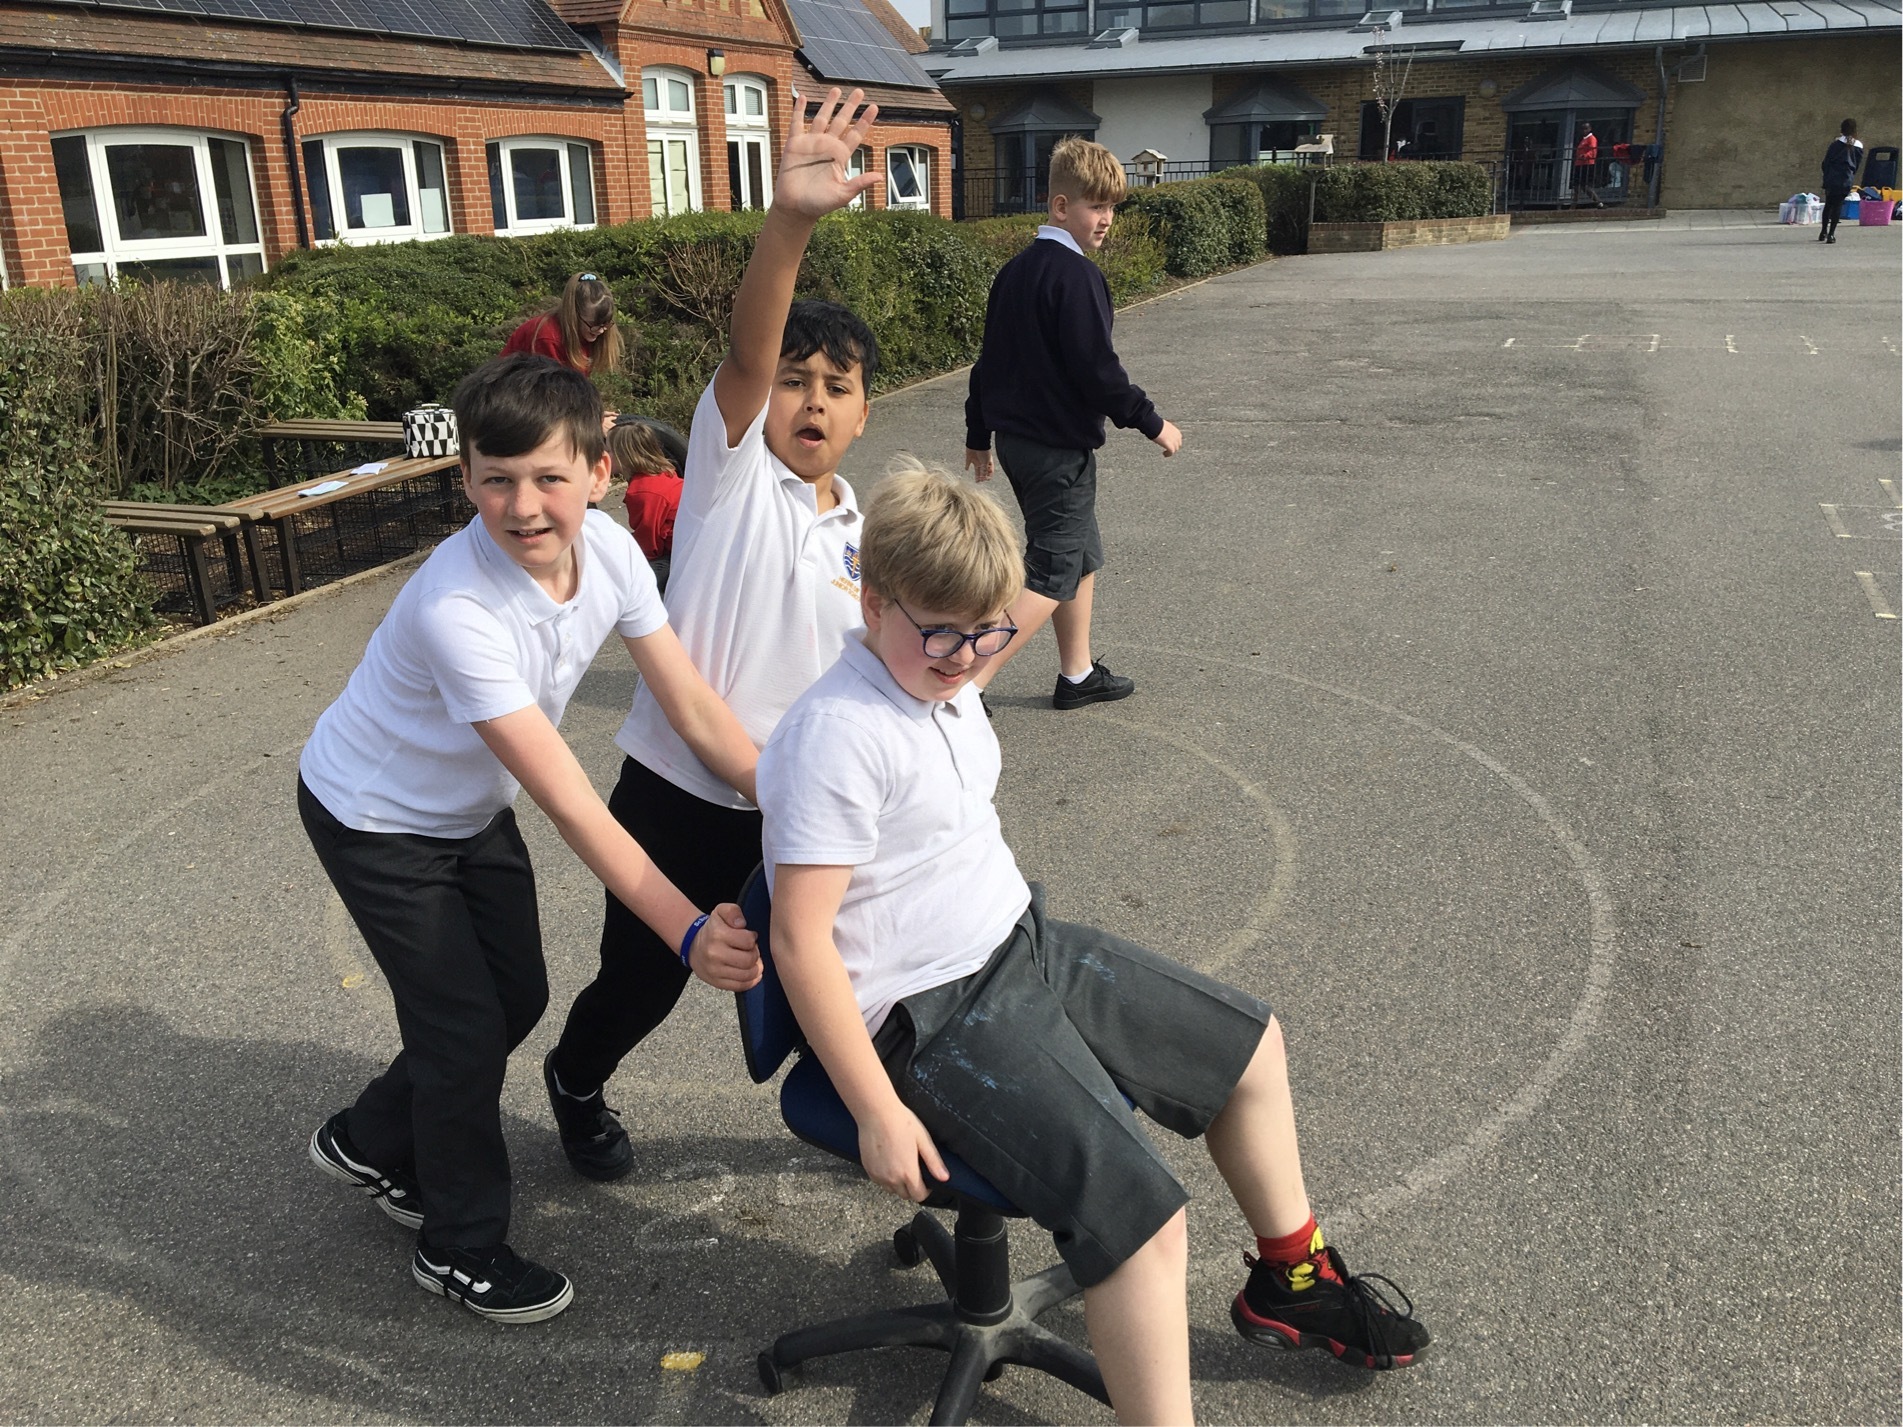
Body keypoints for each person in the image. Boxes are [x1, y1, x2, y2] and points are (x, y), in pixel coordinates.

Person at [757, 465, 1430, 1423]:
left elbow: (995, 624)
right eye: (943, 631)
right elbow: (798, 940)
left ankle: (1290, 1282)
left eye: (985, 631)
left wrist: (1009, 602)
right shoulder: (836, 734)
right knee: (1142, 1224)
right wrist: (873, 1108)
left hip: (1016, 939)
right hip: (928, 1016)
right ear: (871, 601)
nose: (965, 657)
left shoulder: (937, 670)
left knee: (1249, 1048)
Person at [300, 353, 762, 1323]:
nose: (521, 506)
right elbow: (572, 802)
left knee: (518, 995)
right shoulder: (457, 606)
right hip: (374, 816)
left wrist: (792, 804)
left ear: (599, 472)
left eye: (549, 476)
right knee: (464, 1028)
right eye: (495, 478)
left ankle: (369, 1138)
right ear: (464, 476)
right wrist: (686, 929)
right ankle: (457, 1244)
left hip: (468, 809)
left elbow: (691, 707)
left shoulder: (614, 553)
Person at [540, 88, 885, 1181]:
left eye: (836, 388)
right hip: (680, 793)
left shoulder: (863, 530)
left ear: (865, 411)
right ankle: (575, 1078)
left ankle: (867, 1112)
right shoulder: (732, 475)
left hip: (807, 803)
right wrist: (789, 222)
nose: (811, 402)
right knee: (642, 982)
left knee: (842, 968)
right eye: (794, 381)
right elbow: (746, 348)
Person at [964, 135, 1181, 712]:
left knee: (1079, 555)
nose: (1106, 218)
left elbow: (988, 362)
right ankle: (966, 684)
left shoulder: (1014, 272)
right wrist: (1151, 421)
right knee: (1051, 570)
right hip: (1056, 450)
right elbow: (1097, 371)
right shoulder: (1076, 277)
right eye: (1096, 205)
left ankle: (1077, 673)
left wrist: (979, 433)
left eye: (1112, 207)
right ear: (1061, 206)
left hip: (1020, 444)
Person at [607, 416, 684, 592]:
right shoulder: (664, 473)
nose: (604, 455)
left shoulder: (642, 492)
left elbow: (650, 547)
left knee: (634, 586)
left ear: (624, 456)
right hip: (689, 543)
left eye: (609, 451)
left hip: (678, 554)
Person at [502, 272, 622, 379]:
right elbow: (552, 387)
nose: (600, 331)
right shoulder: (548, 337)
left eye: (605, 324)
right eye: (593, 324)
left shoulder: (588, 331)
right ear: (574, 314)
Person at [1820, 118, 1865, 244]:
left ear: (1842, 129)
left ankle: (1823, 231)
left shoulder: (1835, 144)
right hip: (1845, 179)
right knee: (1838, 206)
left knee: (1828, 204)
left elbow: (1825, 162)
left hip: (1831, 178)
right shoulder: (1858, 146)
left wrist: (1826, 175)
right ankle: (1831, 234)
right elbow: (1856, 165)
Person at [1571, 123, 1602, 208]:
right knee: (1576, 185)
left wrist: (1585, 156)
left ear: (1590, 129)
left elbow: (1593, 151)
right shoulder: (1583, 139)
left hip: (1587, 164)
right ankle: (1574, 204)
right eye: (1583, 129)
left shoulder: (1591, 138)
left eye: (1586, 128)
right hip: (1579, 164)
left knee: (1585, 186)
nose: (1584, 131)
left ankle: (1599, 203)